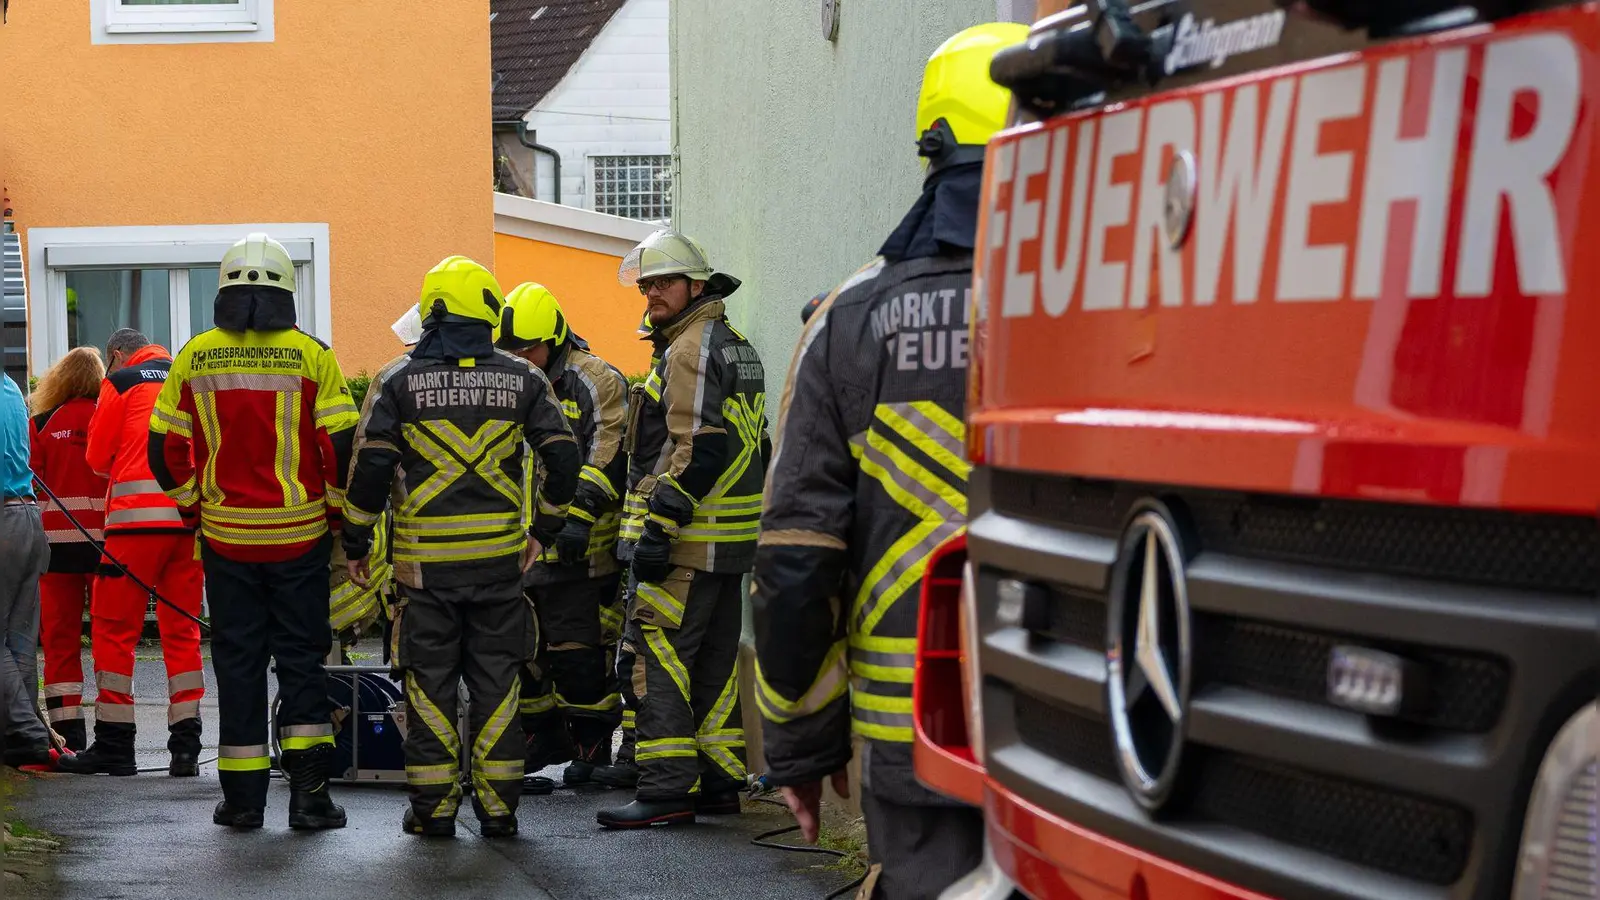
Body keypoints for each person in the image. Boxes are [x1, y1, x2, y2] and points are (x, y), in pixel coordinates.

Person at [751, 22, 1028, 899]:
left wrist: (800, 747)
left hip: (919, 741)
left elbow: (798, 561)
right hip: (1100, 742)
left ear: (931, 147)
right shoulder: (1134, 300)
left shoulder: (848, 321)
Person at [341, 257, 580, 839]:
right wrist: (541, 532)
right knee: (500, 688)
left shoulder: (396, 381)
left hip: (426, 578)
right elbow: (565, 459)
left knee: (429, 691)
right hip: (501, 569)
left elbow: (371, 469)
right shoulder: (526, 378)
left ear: (433, 312)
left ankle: (433, 813)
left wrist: (356, 542)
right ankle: (499, 813)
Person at [149, 232, 359, 830]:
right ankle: (310, 799)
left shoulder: (194, 355)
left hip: (226, 540)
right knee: (301, 663)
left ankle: (241, 803)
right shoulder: (313, 355)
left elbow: (163, 448)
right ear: (287, 290)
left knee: (237, 665)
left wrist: (195, 507)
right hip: (299, 538)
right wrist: (338, 514)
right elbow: (339, 445)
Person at [596, 230, 771, 830]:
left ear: (696, 285)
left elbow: (699, 450)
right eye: (646, 286)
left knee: (661, 653)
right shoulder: (736, 343)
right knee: (715, 662)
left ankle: (667, 786)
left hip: (693, 538)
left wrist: (659, 530)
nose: (651, 296)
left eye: (663, 283)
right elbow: (758, 443)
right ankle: (720, 781)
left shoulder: (688, 349)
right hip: (731, 540)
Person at [495, 283, 629, 786]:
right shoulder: (508, 378)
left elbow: (607, 452)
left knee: (579, 653)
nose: (520, 358)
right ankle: (543, 736)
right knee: (525, 650)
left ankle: (592, 747)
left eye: (527, 348)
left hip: (582, 549)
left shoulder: (595, 381)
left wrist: (578, 519)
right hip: (524, 546)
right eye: (510, 349)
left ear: (554, 338)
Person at [60, 329, 205, 776]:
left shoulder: (121, 382)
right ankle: (185, 748)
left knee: (113, 630)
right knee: (182, 631)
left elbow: (98, 458)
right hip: (188, 525)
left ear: (118, 356)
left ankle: (116, 746)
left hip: (133, 529)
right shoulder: (189, 377)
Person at [26, 347, 109, 753]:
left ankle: (69, 734)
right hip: (105, 546)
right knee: (110, 638)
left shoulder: (41, 423)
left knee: (60, 640)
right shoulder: (109, 417)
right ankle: (113, 731)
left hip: (54, 548)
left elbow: (29, 484)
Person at [1, 371, 58, 769]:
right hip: (27, 514)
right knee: (20, 638)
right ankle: (24, 740)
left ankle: (26, 733)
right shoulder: (8, 385)